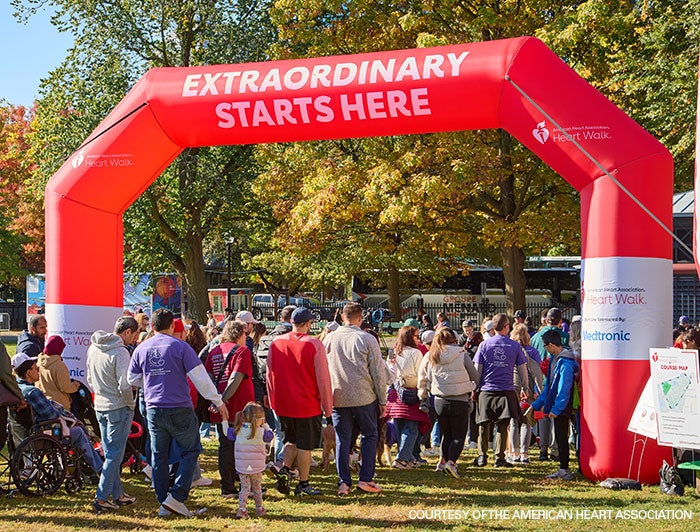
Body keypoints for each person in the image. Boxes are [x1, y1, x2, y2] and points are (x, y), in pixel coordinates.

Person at [127, 308, 228, 517]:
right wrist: (217, 401)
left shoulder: (141, 348)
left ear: (152, 327)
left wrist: (149, 384)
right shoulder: (181, 347)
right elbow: (200, 378)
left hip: (154, 408)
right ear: (172, 326)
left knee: (158, 455)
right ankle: (177, 495)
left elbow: (131, 379)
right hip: (179, 407)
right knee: (190, 451)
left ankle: (164, 501)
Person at [266, 307, 333, 496]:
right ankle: (303, 483)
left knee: (290, 439)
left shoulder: (276, 342)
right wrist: (328, 411)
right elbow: (323, 379)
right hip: (307, 403)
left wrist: (273, 402)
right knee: (305, 446)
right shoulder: (313, 344)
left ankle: (285, 469)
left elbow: (270, 375)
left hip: (284, 402)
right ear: (309, 323)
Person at [323, 302, 387, 495]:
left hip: (338, 396)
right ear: (360, 318)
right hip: (364, 396)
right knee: (369, 434)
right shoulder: (367, 339)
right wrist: (382, 400)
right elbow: (378, 372)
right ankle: (366, 478)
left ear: (343, 317)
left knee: (342, 439)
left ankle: (343, 482)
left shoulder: (329, 339)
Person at [13, 353, 104, 476]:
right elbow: (51, 416)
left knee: (77, 429)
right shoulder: (32, 392)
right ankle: (99, 468)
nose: (39, 371)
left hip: (22, 435)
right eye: (36, 368)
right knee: (79, 432)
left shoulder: (16, 388)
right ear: (28, 372)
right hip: (42, 434)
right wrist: (67, 417)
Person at [86, 316, 140, 512]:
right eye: (135, 334)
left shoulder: (93, 348)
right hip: (118, 407)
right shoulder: (121, 352)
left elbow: (90, 378)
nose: (135, 339)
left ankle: (118, 494)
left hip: (100, 405)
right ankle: (101, 498)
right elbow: (125, 385)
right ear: (127, 332)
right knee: (114, 455)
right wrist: (130, 403)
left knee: (111, 453)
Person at [204, 319, 255, 498]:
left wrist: (216, 401)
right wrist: (223, 401)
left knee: (225, 445)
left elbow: (208, 378)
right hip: (239, 405)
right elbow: (236, 378)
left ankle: (228, 486)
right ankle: (244, 484)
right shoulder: (242, 351)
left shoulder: (214, 351)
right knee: (243, 446)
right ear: (240, 334)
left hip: (219, 405)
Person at [418, 328, 478, 478]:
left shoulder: (431, 355)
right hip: (459, 399)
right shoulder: (461, 354)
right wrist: (472, 387)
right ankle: (451, 463)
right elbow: (475, 375)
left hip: (439, 400)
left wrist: (423, 394)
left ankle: (442, 462)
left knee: (447, 434)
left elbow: (423, 376)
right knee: (459, 435)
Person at [472, 313, 527, 468]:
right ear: (506, 327)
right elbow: (522, 369)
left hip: (487, 389)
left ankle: (482, 456)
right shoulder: (514, 346)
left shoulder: (484, 345)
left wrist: (475, 388)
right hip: (506, 390)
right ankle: (499, 458)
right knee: (502, 426)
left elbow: (478, 369)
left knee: (483, 425)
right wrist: (525, 387)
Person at [531, 329, 578, 480]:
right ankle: (564, 468)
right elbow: (550, 386)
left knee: (561, 438)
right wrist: (537, 405)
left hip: (564, 406)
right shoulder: (556, 360)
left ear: (551, 345)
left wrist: (556, 409)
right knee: (560, 437)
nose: (545, 350)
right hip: (560, 405)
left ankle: (564, 469)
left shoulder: (564, 363)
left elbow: (564, 388)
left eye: (545, 347)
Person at [530, 307, 569, 461]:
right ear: (560, 321)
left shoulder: (535, 337)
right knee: (556, 418)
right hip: (557, 381)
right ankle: (555, 450)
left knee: (543, 416)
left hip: (540, 381)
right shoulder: (564, 337)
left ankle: (543, 450)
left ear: (546, 320)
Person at [386, 326, 427, 469]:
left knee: (400, 425)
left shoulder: (393, 352)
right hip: (412, 392)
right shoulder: (415, 353)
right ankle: (402, 458)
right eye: (416, 335)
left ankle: (408, 458)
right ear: (410, 337)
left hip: (396, 392)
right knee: (412, 427)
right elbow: (421, 373)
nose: (418, 338)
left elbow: (389, 371)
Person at [228, 402, 274, 518]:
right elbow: (271, 435)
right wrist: (265, 425)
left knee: (245, 488)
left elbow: (227, 433)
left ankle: (241, 509)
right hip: (256, 466)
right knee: (257, 488)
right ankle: (259, 508)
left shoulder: (238, 430)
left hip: (242, 466)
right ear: (261, 419)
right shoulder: (263, 432)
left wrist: (224, 420)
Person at [509, 323, 543, 464]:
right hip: (528, 389)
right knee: (526, 422)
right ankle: (524, 454)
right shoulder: (533, 352)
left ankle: (514, 453)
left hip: (512, 388)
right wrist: (537, 391)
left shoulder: (511, 350)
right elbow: (538, 373)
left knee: (513, 422)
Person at [36, 335, 80, 411]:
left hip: (43, 402)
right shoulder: (59, 365)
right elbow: (65, 387)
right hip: (59, 405)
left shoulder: (39, 362)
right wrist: (76, 385)